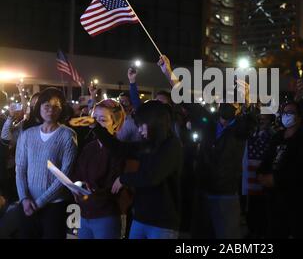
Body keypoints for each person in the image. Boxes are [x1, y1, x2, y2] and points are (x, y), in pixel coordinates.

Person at [156, 54, 255, 239]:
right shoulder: (208, 122)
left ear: (240, 107)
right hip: (202, 191)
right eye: (225, 99)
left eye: (234, 101)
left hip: (225, 195)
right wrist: (168, 72)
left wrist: (248, 101)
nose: (228, 104)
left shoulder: (240, 129)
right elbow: (185, 96)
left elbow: (250, 123)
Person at [92, 100, 183, 239]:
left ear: (155, 122)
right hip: (140, 217)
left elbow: (152, 176)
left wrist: (124, 179)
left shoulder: (172, 146)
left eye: (142, 125)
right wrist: (95, 127)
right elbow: (119, 149)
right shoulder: (147, 144)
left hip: (162, 223)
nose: (139, 130)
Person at [15, 87, 78, 239]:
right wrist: (24, 198)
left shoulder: (68, 135)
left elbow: (64, 175)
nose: (51, 110)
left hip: (55, 205)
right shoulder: (28, 134)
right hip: (27, 204)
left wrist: (40, 202)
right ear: (40, 108)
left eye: (56, 107)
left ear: (61, 110)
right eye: (47, 106)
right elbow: (20, 168)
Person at [258, 101, 303, 238]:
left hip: (295, 196)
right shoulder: (278, 136)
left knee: (298, 231)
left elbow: (300, 167)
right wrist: (260, 174)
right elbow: (267, 158)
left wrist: (276, 179)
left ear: (299, 117)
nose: (286, 115)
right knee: (276, 230)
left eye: (291, 112)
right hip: (274, 196)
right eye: (285, 112)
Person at [71, 99, 126, 239]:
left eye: (102, 120)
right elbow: (78, 172)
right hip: (84, 212)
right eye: (94, 119)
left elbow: (114, 186)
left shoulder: (120, 149)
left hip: (106, 214)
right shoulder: (89, 147)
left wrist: (94, 192)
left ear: (115, 123)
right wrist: (77, 185)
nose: (95, 124)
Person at [242, 112, 275, 238]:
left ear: (270, 120)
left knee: (262, 206)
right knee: (252, 205)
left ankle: (261, 231)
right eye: (260, 118)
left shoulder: (272, 135)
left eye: (265, 118)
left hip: (264, 176)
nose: (262, 120)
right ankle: (253, 229)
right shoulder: (253, 133)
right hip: (251, 177)